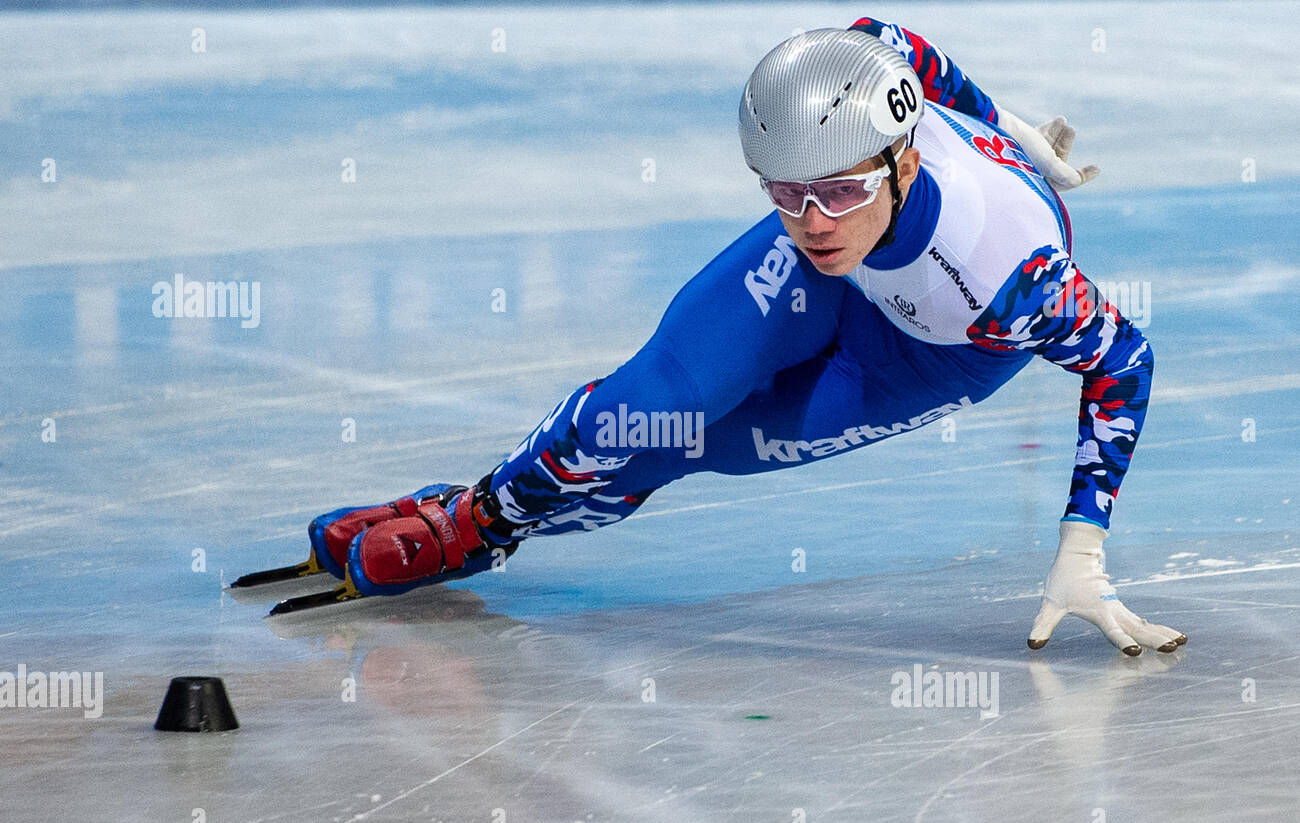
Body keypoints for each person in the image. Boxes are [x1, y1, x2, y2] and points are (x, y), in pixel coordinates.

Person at [298, 19, 1187, 656]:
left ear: (902, 161)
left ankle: (488, 520)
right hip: (851, 280)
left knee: (680, 449)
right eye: (783, 192)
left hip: (931, 348)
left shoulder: (1006, 275)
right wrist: (1015, 127)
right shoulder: (834, 178)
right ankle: (473, 520)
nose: (812, 220)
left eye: (837, 191)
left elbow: (1124, 359)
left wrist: (1082, 546)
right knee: (640, 412)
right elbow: (891, 37)